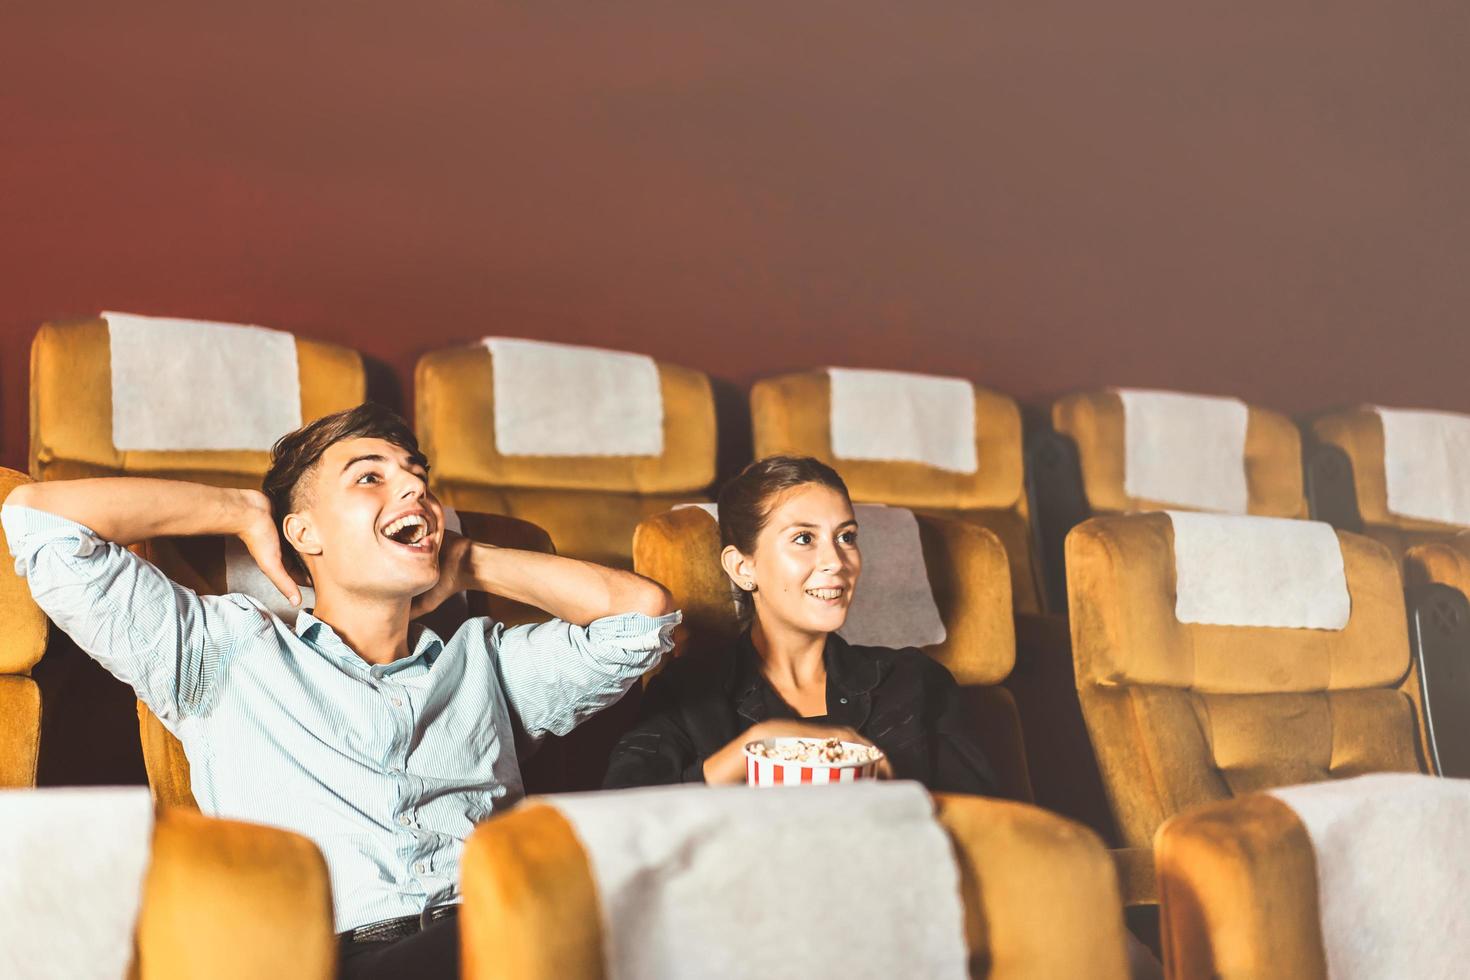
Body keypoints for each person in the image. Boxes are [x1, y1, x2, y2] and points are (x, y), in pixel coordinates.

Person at [2, 403, 679, 980]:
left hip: (505, 935)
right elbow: (39, 518)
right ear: (304, 532)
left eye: (418, 480)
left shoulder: (488, 661)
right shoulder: (225, 651)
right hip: (337, 956)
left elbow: (643, 617)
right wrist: (239, 508)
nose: (413, 492)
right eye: (370, 479)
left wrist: (469, 557)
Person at [604, 455, 995, 794]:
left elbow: (989, 827)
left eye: (846, 537)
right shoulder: (687, 692)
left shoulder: (915, 682)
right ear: (743, 568)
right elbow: (623, 815)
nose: (837, 561)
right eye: (805, 538)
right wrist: (755, 747)